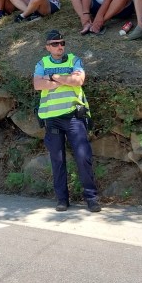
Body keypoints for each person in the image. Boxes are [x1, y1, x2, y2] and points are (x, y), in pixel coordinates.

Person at [32, 30, 101, 213]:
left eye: (62, 42)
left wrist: (53, 78)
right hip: (52, 119)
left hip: (73, 117)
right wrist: (65, 79)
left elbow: (78, 80)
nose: (59, 46)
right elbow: (38, 85)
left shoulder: (74, 60)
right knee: (57, 160)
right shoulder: (42, 63)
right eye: (55, 44)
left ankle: (91, 198)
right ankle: (62, 199)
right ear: (47, 47)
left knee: (83, 157)